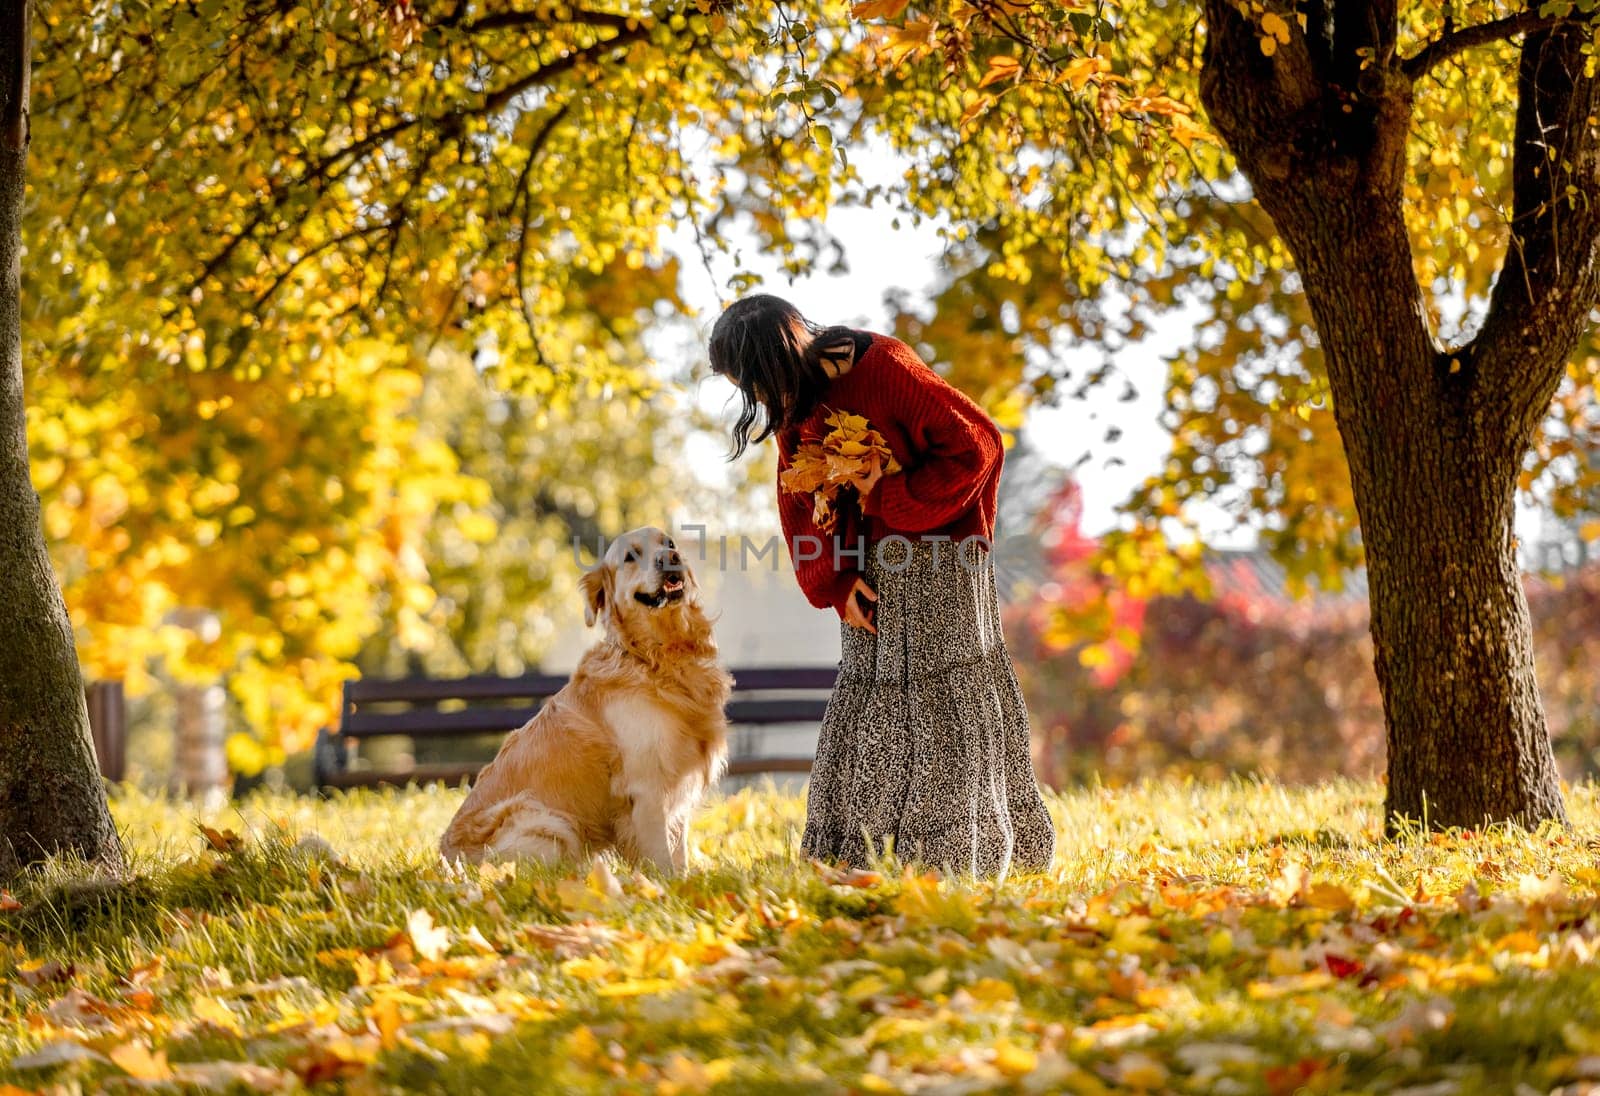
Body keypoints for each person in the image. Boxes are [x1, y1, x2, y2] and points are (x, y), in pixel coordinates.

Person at [708, 293, 1055, 876]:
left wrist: (888, 496)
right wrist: (836, 583)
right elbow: (797, 498)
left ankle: (948, 856)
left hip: (941, 565)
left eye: (752, 382)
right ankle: (862, 855)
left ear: (774, 361)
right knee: (873, 702)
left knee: (943, 705)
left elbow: (980, 445)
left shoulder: (888, 369)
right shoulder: (799, 405)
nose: (758, 400)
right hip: (870, 578)